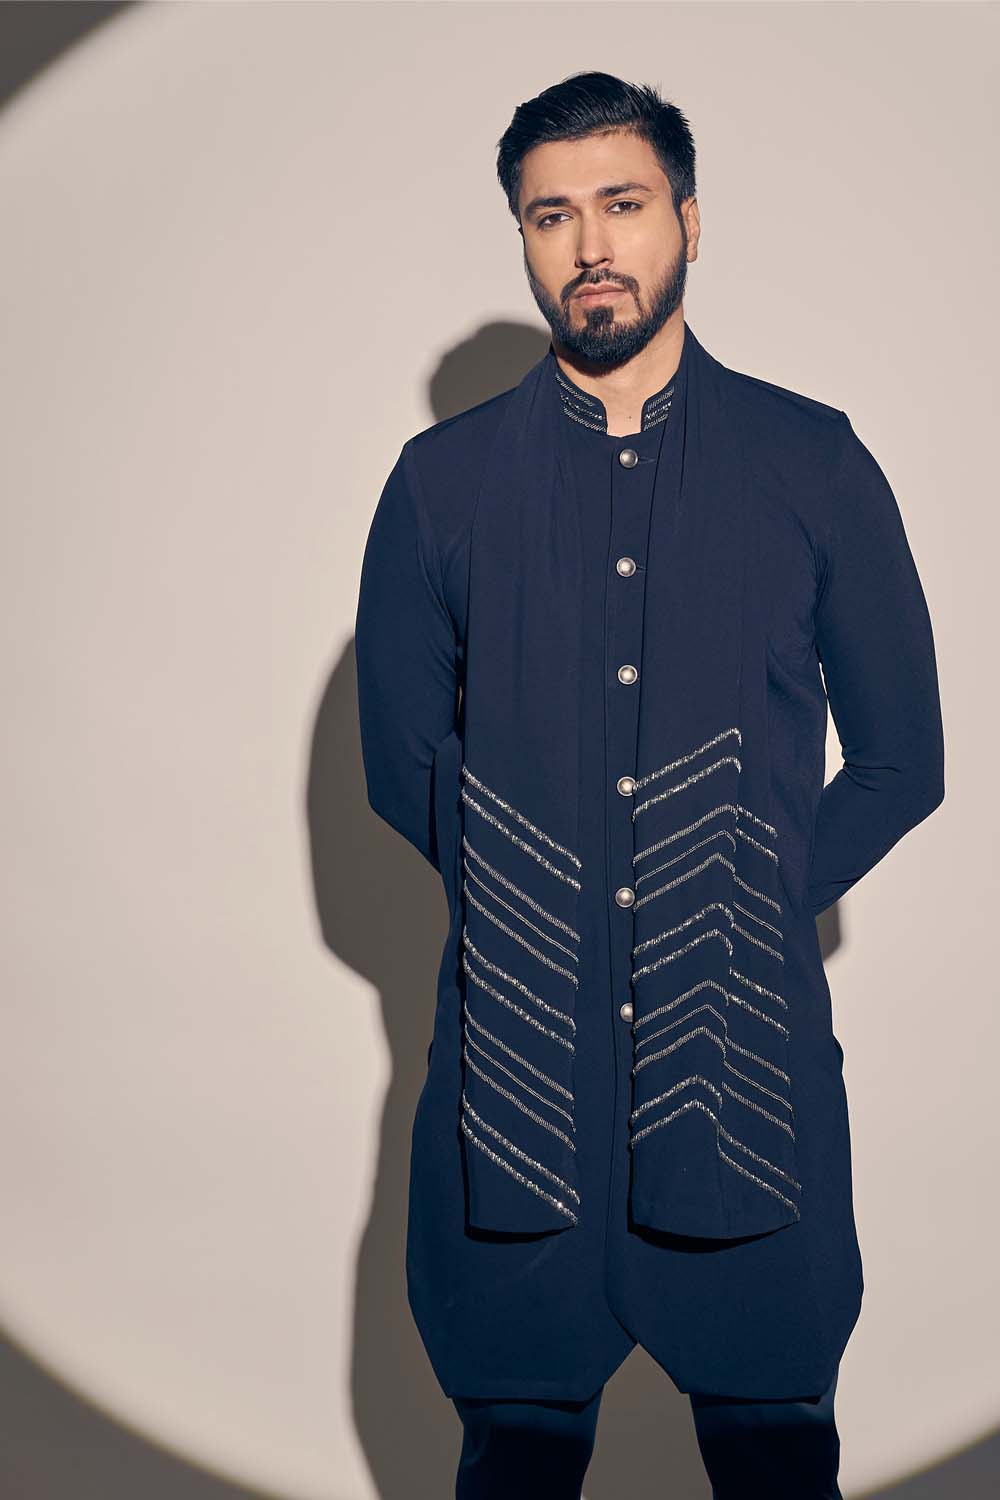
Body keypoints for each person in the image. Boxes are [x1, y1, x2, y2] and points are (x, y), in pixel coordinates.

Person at [354, 70, 945, 1499]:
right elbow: (400, 768)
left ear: (688, 218)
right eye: (550, 215)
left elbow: (901, 762)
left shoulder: (811, 461)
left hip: (744, 1079)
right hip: (514, 1091)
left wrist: (741, 898)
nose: (590, 245)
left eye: (621, 204)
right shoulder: (441, 484)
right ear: (522, 235)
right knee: (515, 1451)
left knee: (774, 1447)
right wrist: (540, 907)